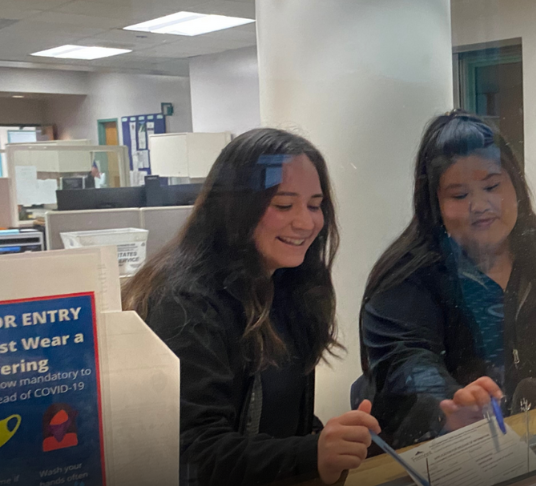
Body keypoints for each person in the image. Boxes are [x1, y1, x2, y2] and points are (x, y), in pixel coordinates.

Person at [123, 129, 381, 486]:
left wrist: (332, 444)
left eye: (315, 204)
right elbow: (196, 454)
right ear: (236, 207)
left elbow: (281, 423)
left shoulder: (287, 286)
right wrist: (309, 454)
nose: (306, 222)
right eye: (283, 205)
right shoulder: (184, 303)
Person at [358, 111, 536, 447]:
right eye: (459, 195)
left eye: (492, 186)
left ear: (515, 186)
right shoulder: (406, 276)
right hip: (446, 455)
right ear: (434, 204)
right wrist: (452, 403)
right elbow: (405, 364)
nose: (480, 205)